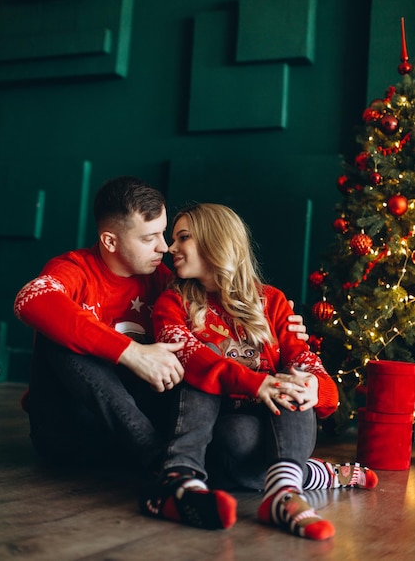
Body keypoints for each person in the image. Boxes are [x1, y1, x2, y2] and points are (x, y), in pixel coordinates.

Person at [13, 176, 308, 475]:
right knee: (57, 333)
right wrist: (132, 353)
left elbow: (220, 307)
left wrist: (274, 316)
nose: (164, 247)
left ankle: (184, 466)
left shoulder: (169, 283)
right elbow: (31, 300)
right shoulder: (76, 269)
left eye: (163, 233)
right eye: (148, 238)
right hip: (73, 429)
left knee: (210, 386)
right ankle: (158, 459)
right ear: (110, 241)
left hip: (144, 425)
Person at [142, 203, 378, 541]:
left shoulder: (272, 301)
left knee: (295, 377)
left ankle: (282, 495)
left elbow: (306, 361)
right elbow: (187, 356)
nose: (170, 248)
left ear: (216, 242)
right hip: (219, 426)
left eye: (183, 238)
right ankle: (312, 474)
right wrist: (257, 383)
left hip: (276, 419)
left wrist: (316, 386)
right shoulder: (173, 302)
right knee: (206, 376)